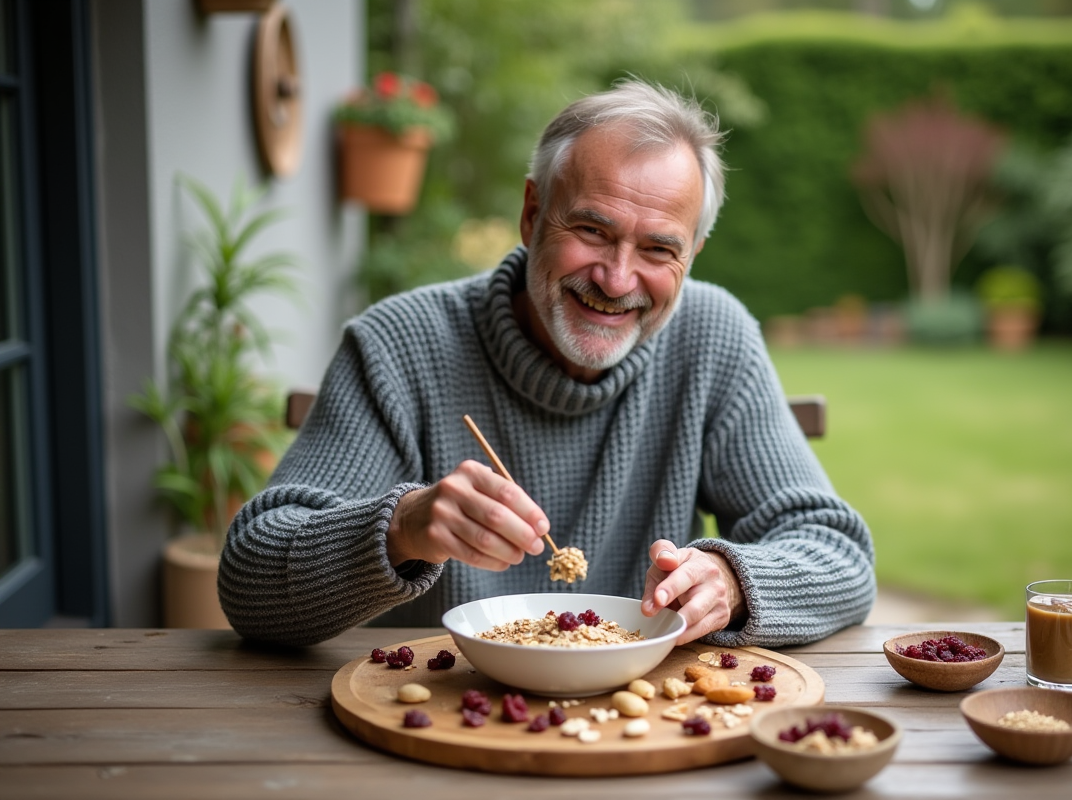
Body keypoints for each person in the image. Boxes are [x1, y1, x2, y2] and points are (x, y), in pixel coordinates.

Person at [218, 79, 875, 647]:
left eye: (657, 250)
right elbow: (249, 582)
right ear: (533, 215)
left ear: (694, 252)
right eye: (592, 230)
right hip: (441, 723)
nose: (618, 280)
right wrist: (401, 528)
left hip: (642, 727)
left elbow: (838, 555)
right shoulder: (400, 342)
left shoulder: (713, 336)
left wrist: (733, 581)